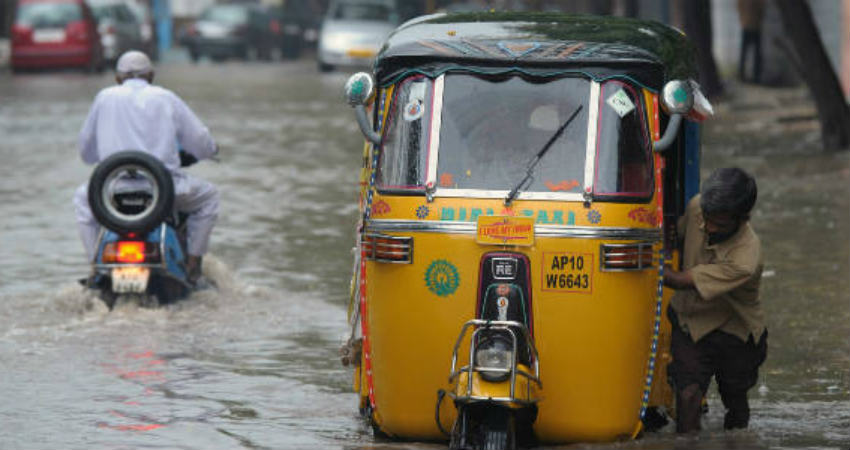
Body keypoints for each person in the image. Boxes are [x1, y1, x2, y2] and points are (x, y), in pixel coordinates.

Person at [74, 50, 218, 283]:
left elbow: (86, 152)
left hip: (112, 192)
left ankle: (94, 268)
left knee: (82, 199)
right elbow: (200, 140)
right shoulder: (165, 97)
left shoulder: (105, 97)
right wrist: (211, 150)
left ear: (118, 78)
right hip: (165, 190)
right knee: (209, 197)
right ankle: (193, 265)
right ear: (151, 75)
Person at [664, 168, 767, 433]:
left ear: (742, 219)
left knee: (735, 400)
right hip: (691, 321)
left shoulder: (746, 257)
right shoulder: (699, 206)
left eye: (719, 225)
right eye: (707, 219)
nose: (709, 227)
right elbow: (674, 237)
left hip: (735, 332)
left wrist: (641, 261)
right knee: (687, 395)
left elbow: (678, 280)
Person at [737, 0, 766, 83]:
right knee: (753, 53)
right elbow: (762, 8)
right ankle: (751, 75)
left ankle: (746, 75)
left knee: (749, 53)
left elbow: (739, 7)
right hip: (752, 25)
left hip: (749, 25)